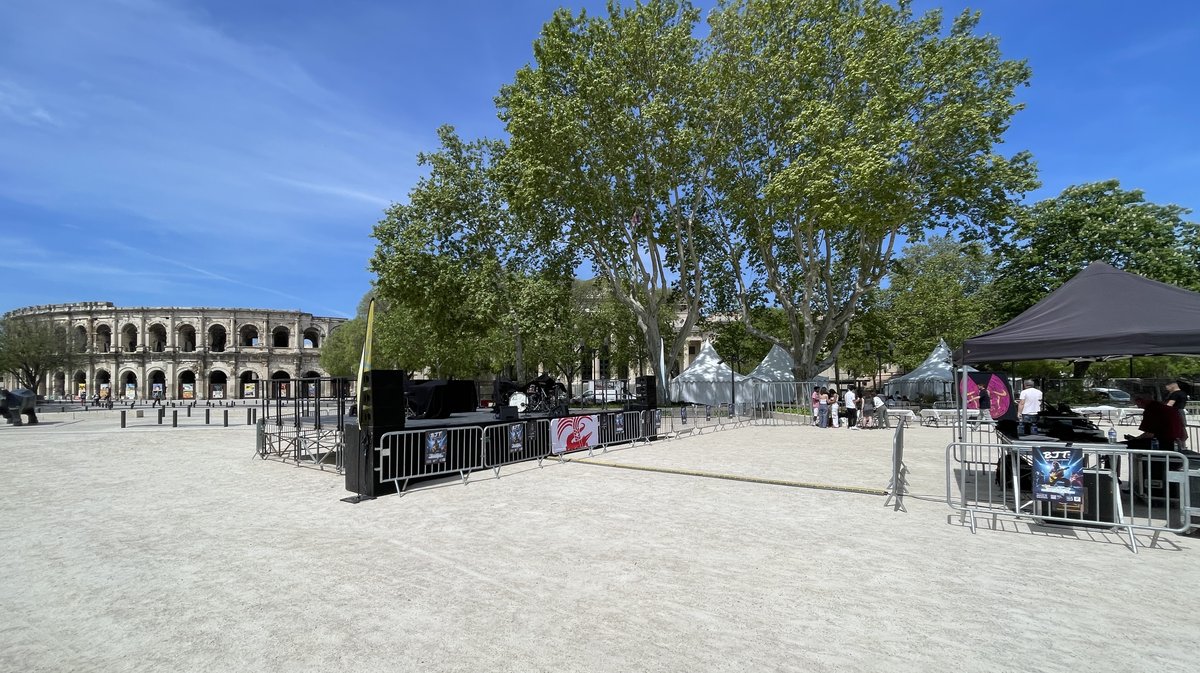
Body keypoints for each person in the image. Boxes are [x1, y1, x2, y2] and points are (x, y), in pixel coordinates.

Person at [1164, 380, 1189, 450]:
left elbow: (1170, 405)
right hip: (1180, 412)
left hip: (1175, 413)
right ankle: (1183, 446)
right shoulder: (1183, 393)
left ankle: (1179, 447)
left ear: (1172, 385)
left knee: (1175, 430)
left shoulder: (1175, 394)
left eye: (1167, 386)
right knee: (1182, 429)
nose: (1166, 388)